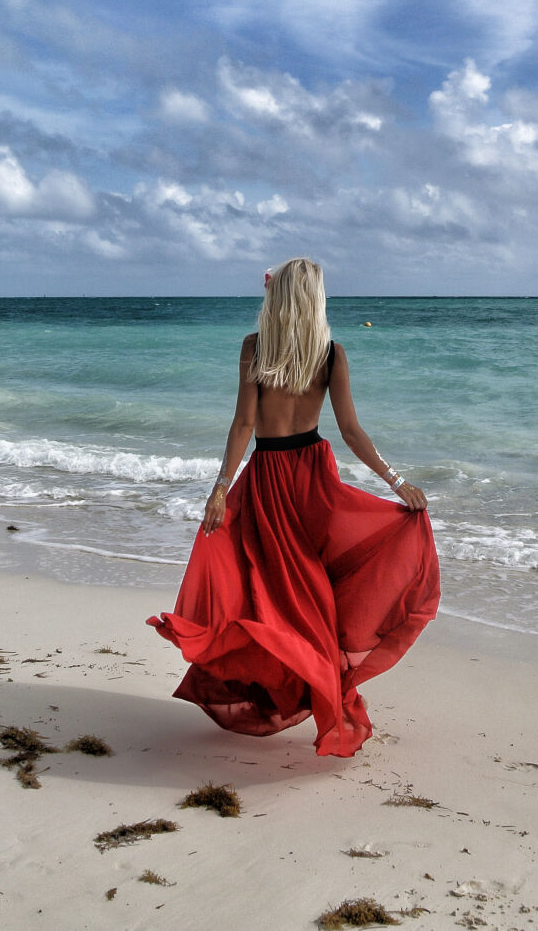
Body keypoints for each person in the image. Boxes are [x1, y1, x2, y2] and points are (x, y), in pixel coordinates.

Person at [148, 258, 440, 757]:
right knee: (313, 598)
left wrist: (221, 487)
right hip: (313, 480)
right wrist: (395, 481)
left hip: (267, 478)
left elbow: (243, 425)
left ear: (276, 298)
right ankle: (324, 697)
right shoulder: (330, 355)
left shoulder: (254, 348)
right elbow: (350, 431)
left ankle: (290, 691)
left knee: (264, 593)